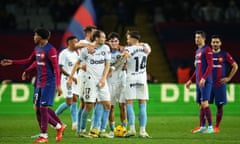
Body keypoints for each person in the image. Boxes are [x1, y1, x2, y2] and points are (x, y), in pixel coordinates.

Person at [1, 28, 65, 143]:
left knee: (43, 108)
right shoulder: (37, 48)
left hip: (49, 83)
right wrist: (15, 63)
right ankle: (59, 126)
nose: (33, 37)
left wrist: (58, 85)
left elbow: (56, 68)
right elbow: (30, 60)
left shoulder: (51, 50)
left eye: (35, 35)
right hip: (39, 82)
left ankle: (44, 136)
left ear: (40, 37)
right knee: (37, 109)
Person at [67, 30, 112, 138]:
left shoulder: (106, 48)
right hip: (90, 80)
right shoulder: (86, 50)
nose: (104, 39)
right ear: (96, 38)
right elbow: (77, 63)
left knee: (107, 105)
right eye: (103, 37)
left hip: (101, 81)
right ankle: (81, 130)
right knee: (88, 106)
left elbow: (107, 65)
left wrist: (103, 79)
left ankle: (101, 130)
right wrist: (70, 78)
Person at [123, 31, 151, 138]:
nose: (127, 40)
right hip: (142, 78)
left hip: (130, 78)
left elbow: (124, 61)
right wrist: (140, 44)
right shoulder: (146, 46)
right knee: (142, 104)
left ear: (133, 39)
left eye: (128, 38)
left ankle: (132, 129)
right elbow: (146, 48)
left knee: (129, 104)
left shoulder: (127, 49)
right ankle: (143, 131)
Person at [186, 30, 214, 133]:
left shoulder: (207, 50)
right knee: (200, 104)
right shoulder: (197, 51)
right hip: (198, 82)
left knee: (205, 103)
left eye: (198, 37)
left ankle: (210, 127)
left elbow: (210, 66)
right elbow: (197, 69)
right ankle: (202, 126)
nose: (196, 39)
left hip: (205, 81)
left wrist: (204, 78)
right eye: (195, 37)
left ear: (203, 39)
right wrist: (191, 80)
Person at [209, 35, 238, 133]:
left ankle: (216, 126)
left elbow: (235, 66)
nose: (215, 44)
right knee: (203, 105)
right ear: (211, 43)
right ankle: (205, 126)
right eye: (213, 42)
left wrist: (229, 78)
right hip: (208, 84)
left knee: (219, 106)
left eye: (217, 42)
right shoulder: (207, 54)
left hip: (219, 84)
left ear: (220, 43)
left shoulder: (225, 54)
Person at [74, 25, 97, 136]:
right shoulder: (83, 42)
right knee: (83, 104)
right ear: (88, 33)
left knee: (95, 102)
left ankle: (93, 128)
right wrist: (89, 44)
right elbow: (75, 45)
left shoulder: (97, 44)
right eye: (94, 32)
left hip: (94, 76)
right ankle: (79, 129)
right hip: (84, 76)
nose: (96, 34)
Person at [55, 36, 79, 131]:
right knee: (69, 102)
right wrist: (70, 76)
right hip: (66, 79)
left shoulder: (75, 54)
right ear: (69, 43)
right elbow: (60, 68)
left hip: (75, 79)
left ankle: (75, 123)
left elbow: (76, 66)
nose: (76, 44)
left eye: (77, 42)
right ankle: (54, 116)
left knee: (75, 100)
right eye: (74, 42)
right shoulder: (64, 53)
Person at [107, 32, 127, 137]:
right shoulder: (105, 53)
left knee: (122, 106)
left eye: (116, 41)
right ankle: (112, 130)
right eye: (112, 41)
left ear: (119, 42)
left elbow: (126, 62)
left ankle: (124, 128)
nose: (114, 43)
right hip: (110, 81)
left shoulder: (123, 52)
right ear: (108, 42)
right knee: (111, 106)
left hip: (122, 80)